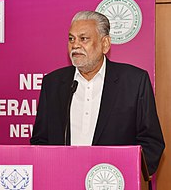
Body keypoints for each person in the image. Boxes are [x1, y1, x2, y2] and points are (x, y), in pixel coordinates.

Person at [30, 11, 165, 176]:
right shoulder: (53, 83)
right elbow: (40, 141)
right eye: (71, 39)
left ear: (105, 44)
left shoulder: (134, 81)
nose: (75, 45)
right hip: (63, 178)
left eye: (83, 39)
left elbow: (152, 142)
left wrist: (129, 176)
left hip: (112, 181)